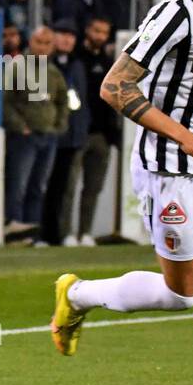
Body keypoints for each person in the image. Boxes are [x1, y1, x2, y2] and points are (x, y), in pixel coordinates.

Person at [52, 0, 193, 355]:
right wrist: (184, 136)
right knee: (182, 294)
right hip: (172, 168)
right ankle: (78, 294)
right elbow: (115, 85)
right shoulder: (180, 10)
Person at [4, 26, 69, 239]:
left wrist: (58, 126)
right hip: (24, 137)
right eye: (39, 42)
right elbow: (5, 100)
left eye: (47, 43)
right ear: (30, 42)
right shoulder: (17, 67)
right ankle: (13, 228)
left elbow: (62, 100)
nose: (42, 47)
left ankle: (32, 232)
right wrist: (19, 126)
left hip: (47, 135)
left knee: (38, 187)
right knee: (18, 185)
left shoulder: (53, 71)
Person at [41, 20, 91, 247]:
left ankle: (61, 233)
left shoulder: (78, 65)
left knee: (65, 187)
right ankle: (42, 232)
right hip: (48, 133)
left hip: (72, 136)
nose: (67, 40)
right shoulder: (42, 64)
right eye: (62, 34)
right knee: (43, 185)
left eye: (71, 35)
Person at [75, 15, 118, 244]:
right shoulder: (76, 58)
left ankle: (85, 232)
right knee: (68, 187)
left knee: (93, 188)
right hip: (77, 133)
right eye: (97, 31)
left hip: (101, 135)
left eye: (104, 32)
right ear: (87, 30)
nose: (100, 36)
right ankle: (64, 233)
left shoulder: (109, 61)